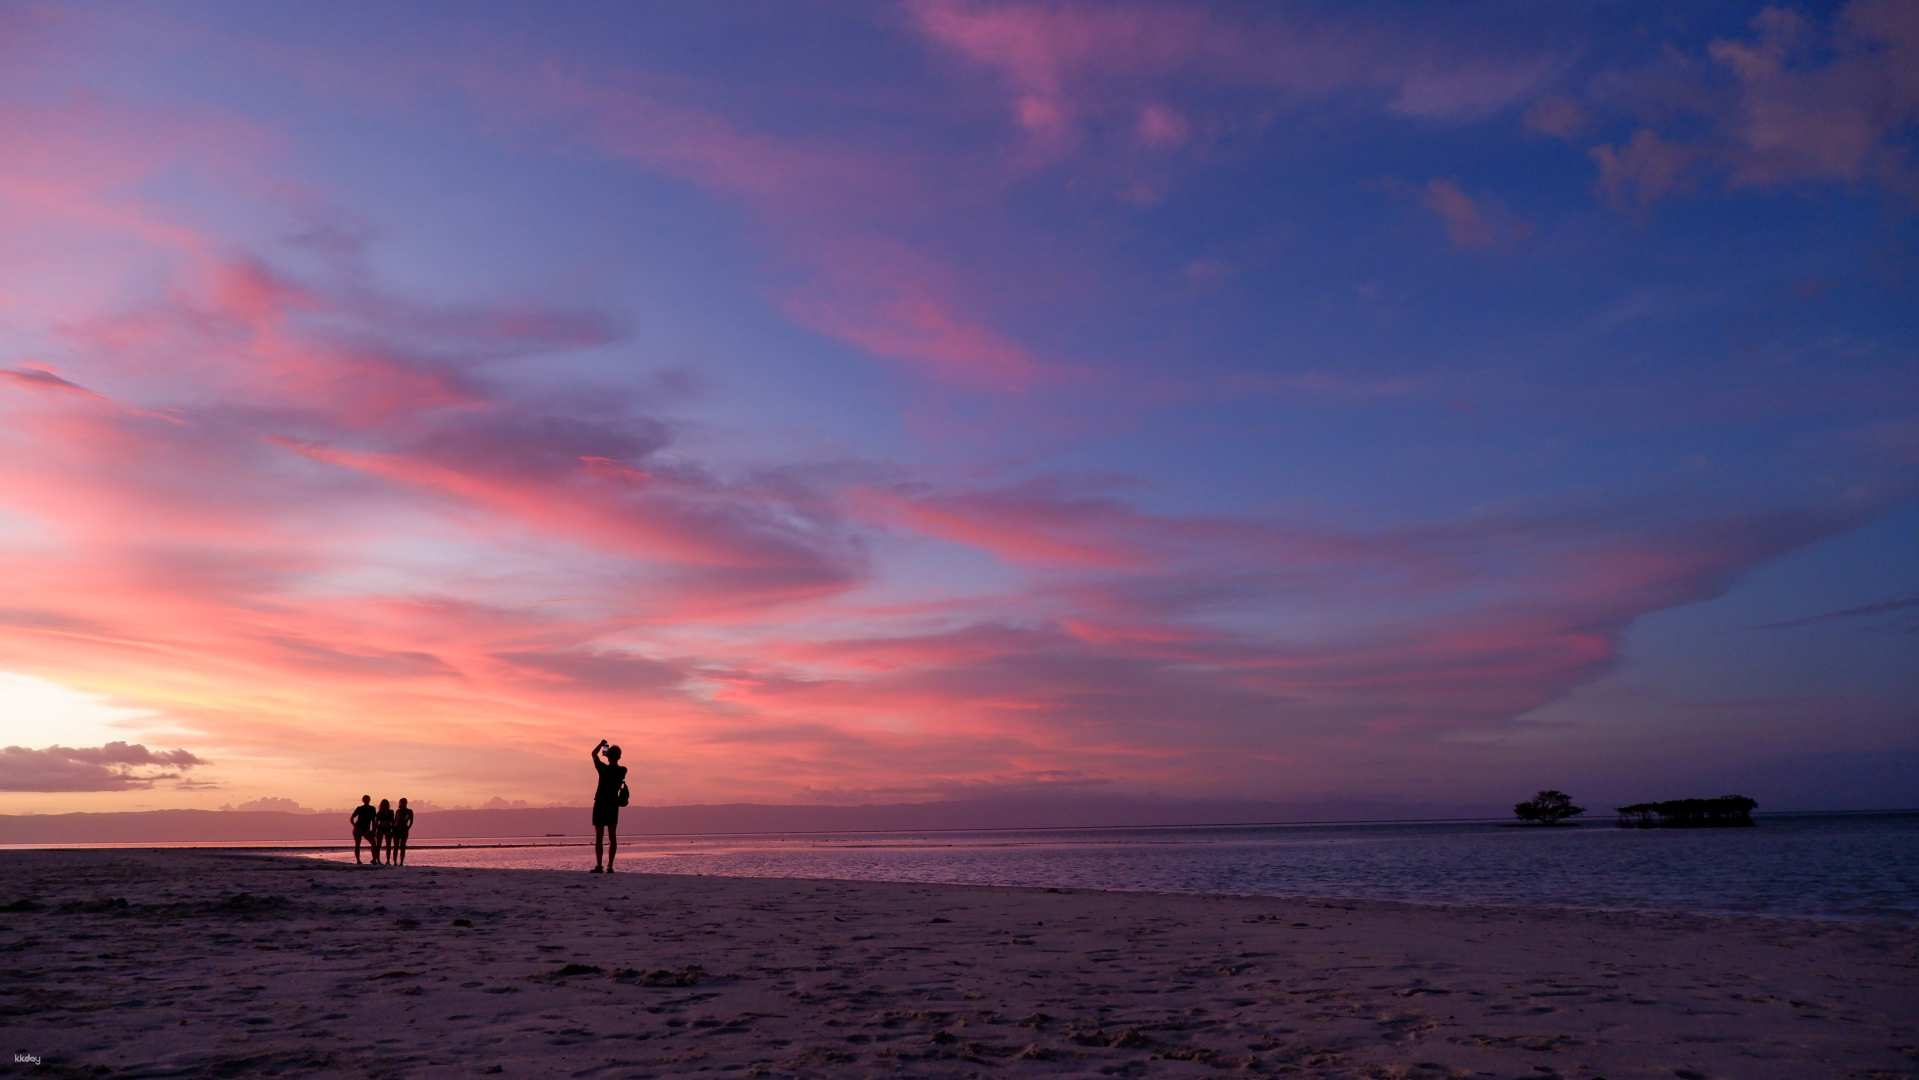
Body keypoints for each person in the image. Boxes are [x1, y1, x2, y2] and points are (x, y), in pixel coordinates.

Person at [589, 739, 626, 873]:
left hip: (600, 804)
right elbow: (609, 760)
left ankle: (599, 865)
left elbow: (594, 754)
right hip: (612, 805)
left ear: (609, 756)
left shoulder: (603, 769)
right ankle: (610, 866)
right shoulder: (622, 770)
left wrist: (602, 745)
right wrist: (608, 752)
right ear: (619, 757)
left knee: (599, 837)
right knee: (612, 837)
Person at [349, 795, 377, 865]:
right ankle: (358, 860)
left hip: (366, 829)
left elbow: (373, 821)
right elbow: (352, 818)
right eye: (365, 799)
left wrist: (373, 830)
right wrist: (355, 825)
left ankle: (374, 859)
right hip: (358, 828)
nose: (367, 800)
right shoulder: (359, 808)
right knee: (357, 844)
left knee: (373, 843)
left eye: (368, 799)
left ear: (369, 800)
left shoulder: (372, 808)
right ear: (363, 800)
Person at [391, 798, 414, 866]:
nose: (403, 804)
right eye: (402, 802)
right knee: (396, 846)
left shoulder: (409, 811)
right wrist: (393, 829)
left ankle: (401, 862)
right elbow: (395, 821)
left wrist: (408, 827)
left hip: (404, 830)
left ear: (406, 803)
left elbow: (411, 821)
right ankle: (395, 862)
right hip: (396, 830)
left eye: (404, 802)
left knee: (402, 847)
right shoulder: (398, 811)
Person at [374, 799, 396, 867]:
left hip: (388, 829)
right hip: (380, 829)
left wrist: (392, 830)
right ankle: (378, 859)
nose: (385, 805)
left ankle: (388, 860)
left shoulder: (391, 812)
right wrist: (376, 829)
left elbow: (393, 821)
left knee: (388, 846)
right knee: (379, 845)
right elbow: (376, 822)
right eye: (384, 804)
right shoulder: (379, 812)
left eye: (386, 804)